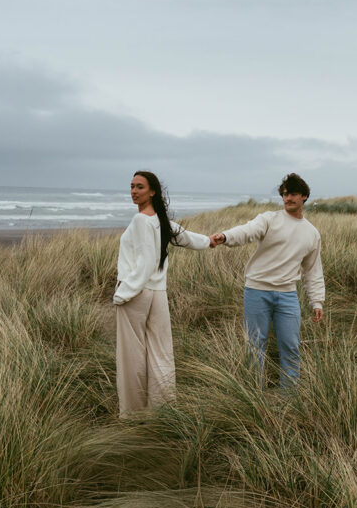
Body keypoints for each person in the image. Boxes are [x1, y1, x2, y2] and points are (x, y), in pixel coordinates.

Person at [209, 173, 324, 387]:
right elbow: (248, 231)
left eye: (293, 194)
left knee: (290, 346)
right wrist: (225, 236)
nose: (288, 198)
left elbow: (313, 270)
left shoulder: (312, 233)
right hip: (257, 291)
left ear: (305, 197)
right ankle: (254, 396)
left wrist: (316, 301)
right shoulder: (270, 219)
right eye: (285, 194)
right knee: (254, 345)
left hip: (288, 295)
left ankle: (289, 399)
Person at [114, 170, 210, 414]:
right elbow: (189, 239)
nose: (134, 191)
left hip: (137, 293)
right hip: (157, 293)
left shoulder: (141, 220)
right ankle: (162, 410)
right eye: (132, 186)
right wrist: (212, 240)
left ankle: (134, 414)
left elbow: (146, 262)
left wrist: (124, 292)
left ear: (153, 191)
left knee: (132, 355)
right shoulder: (160, 220)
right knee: (160, 352)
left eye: (140, 187)